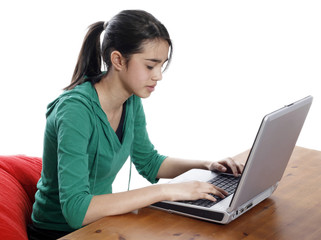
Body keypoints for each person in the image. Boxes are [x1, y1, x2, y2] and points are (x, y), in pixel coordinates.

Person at [28, 9, 243, 240]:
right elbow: (77, 210)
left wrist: (206, 165)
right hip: (58, 232)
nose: (158, 75)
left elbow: (149, 162)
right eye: (151, 66)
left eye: (162, 65)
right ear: (118, 60)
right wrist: (167, 191)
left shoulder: (130, 100)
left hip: (99, 225)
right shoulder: (75, 111)